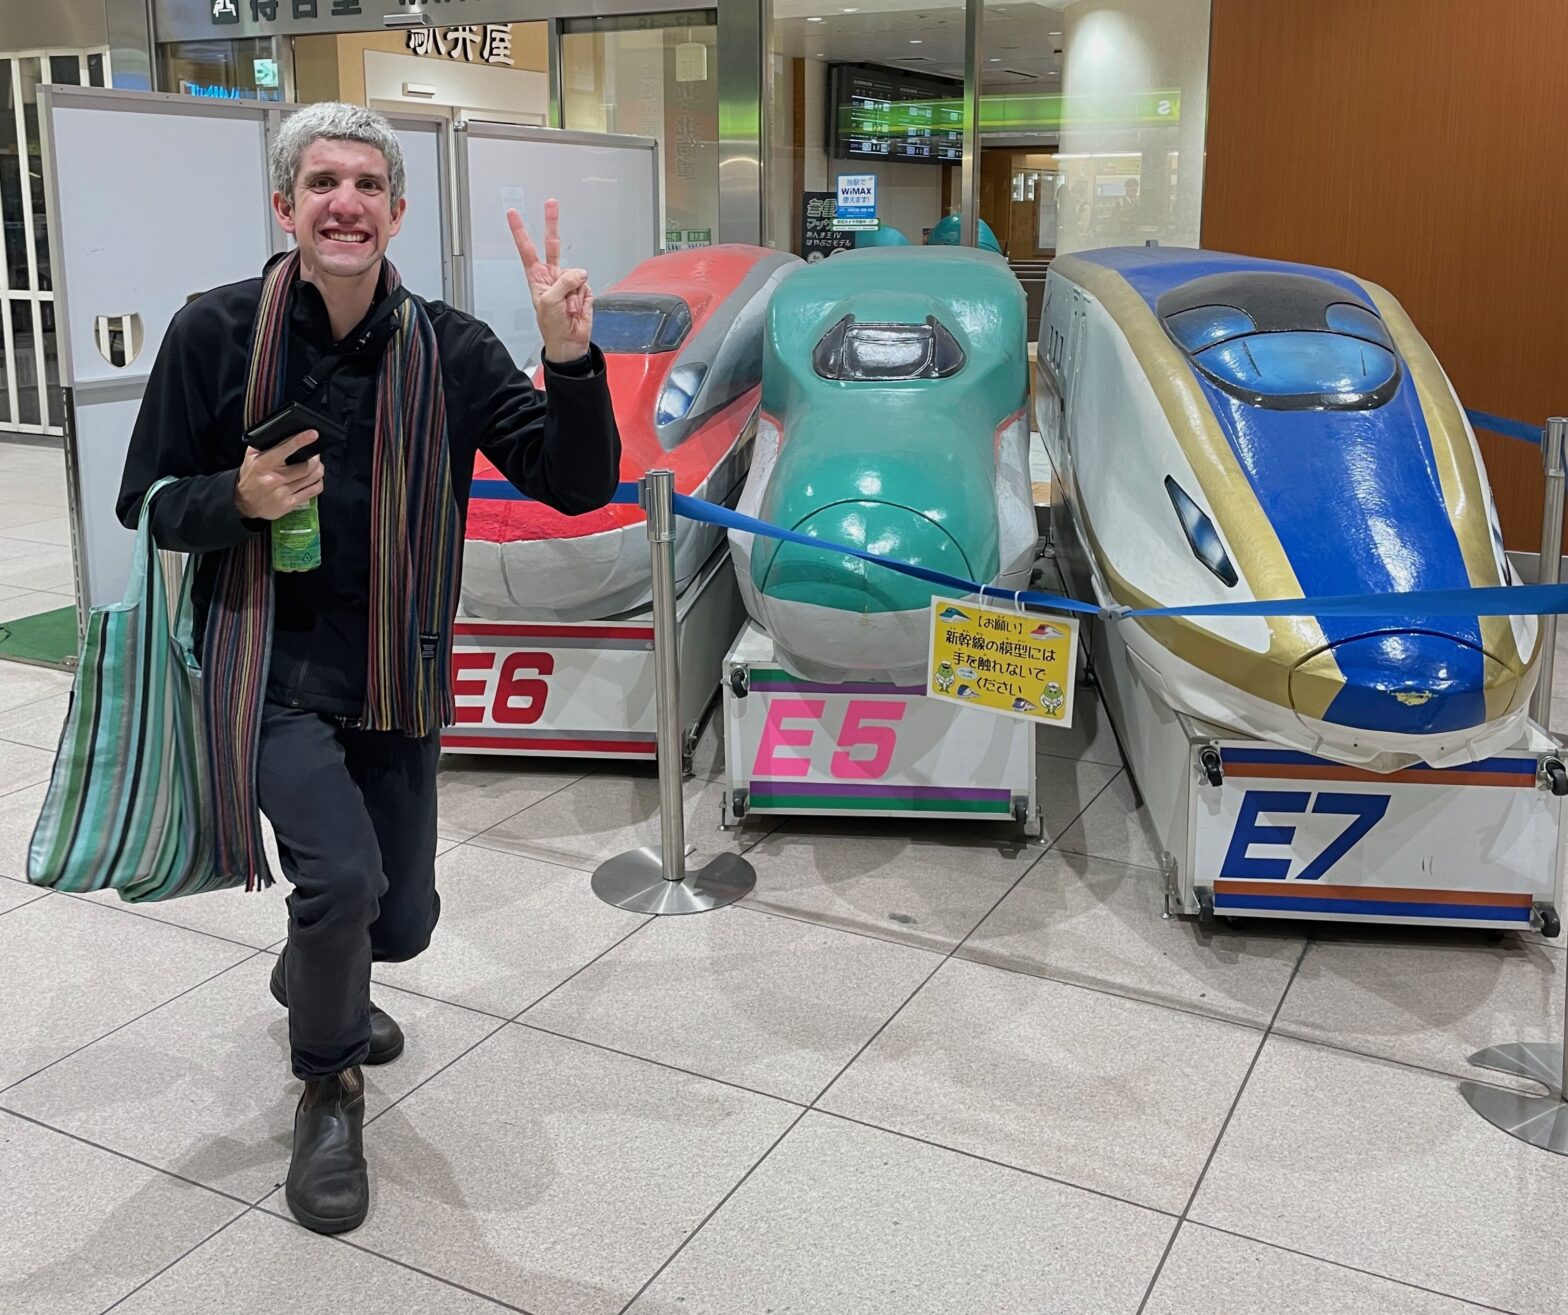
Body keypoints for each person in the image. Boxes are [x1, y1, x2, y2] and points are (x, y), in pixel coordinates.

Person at [116, 102, 621, 1236]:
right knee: (338, 880)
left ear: (396, 210)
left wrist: (569, 355)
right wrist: (233, 501)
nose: (343, 202)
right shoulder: (215, 332)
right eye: (320, 182)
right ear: (285, 205)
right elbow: (146, 504)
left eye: (365, 184)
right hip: (267, 669)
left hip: (400, 674)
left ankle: (321, 970)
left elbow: (576, 483)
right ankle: (329, 1087)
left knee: (399, 923)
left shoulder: (452, 348)